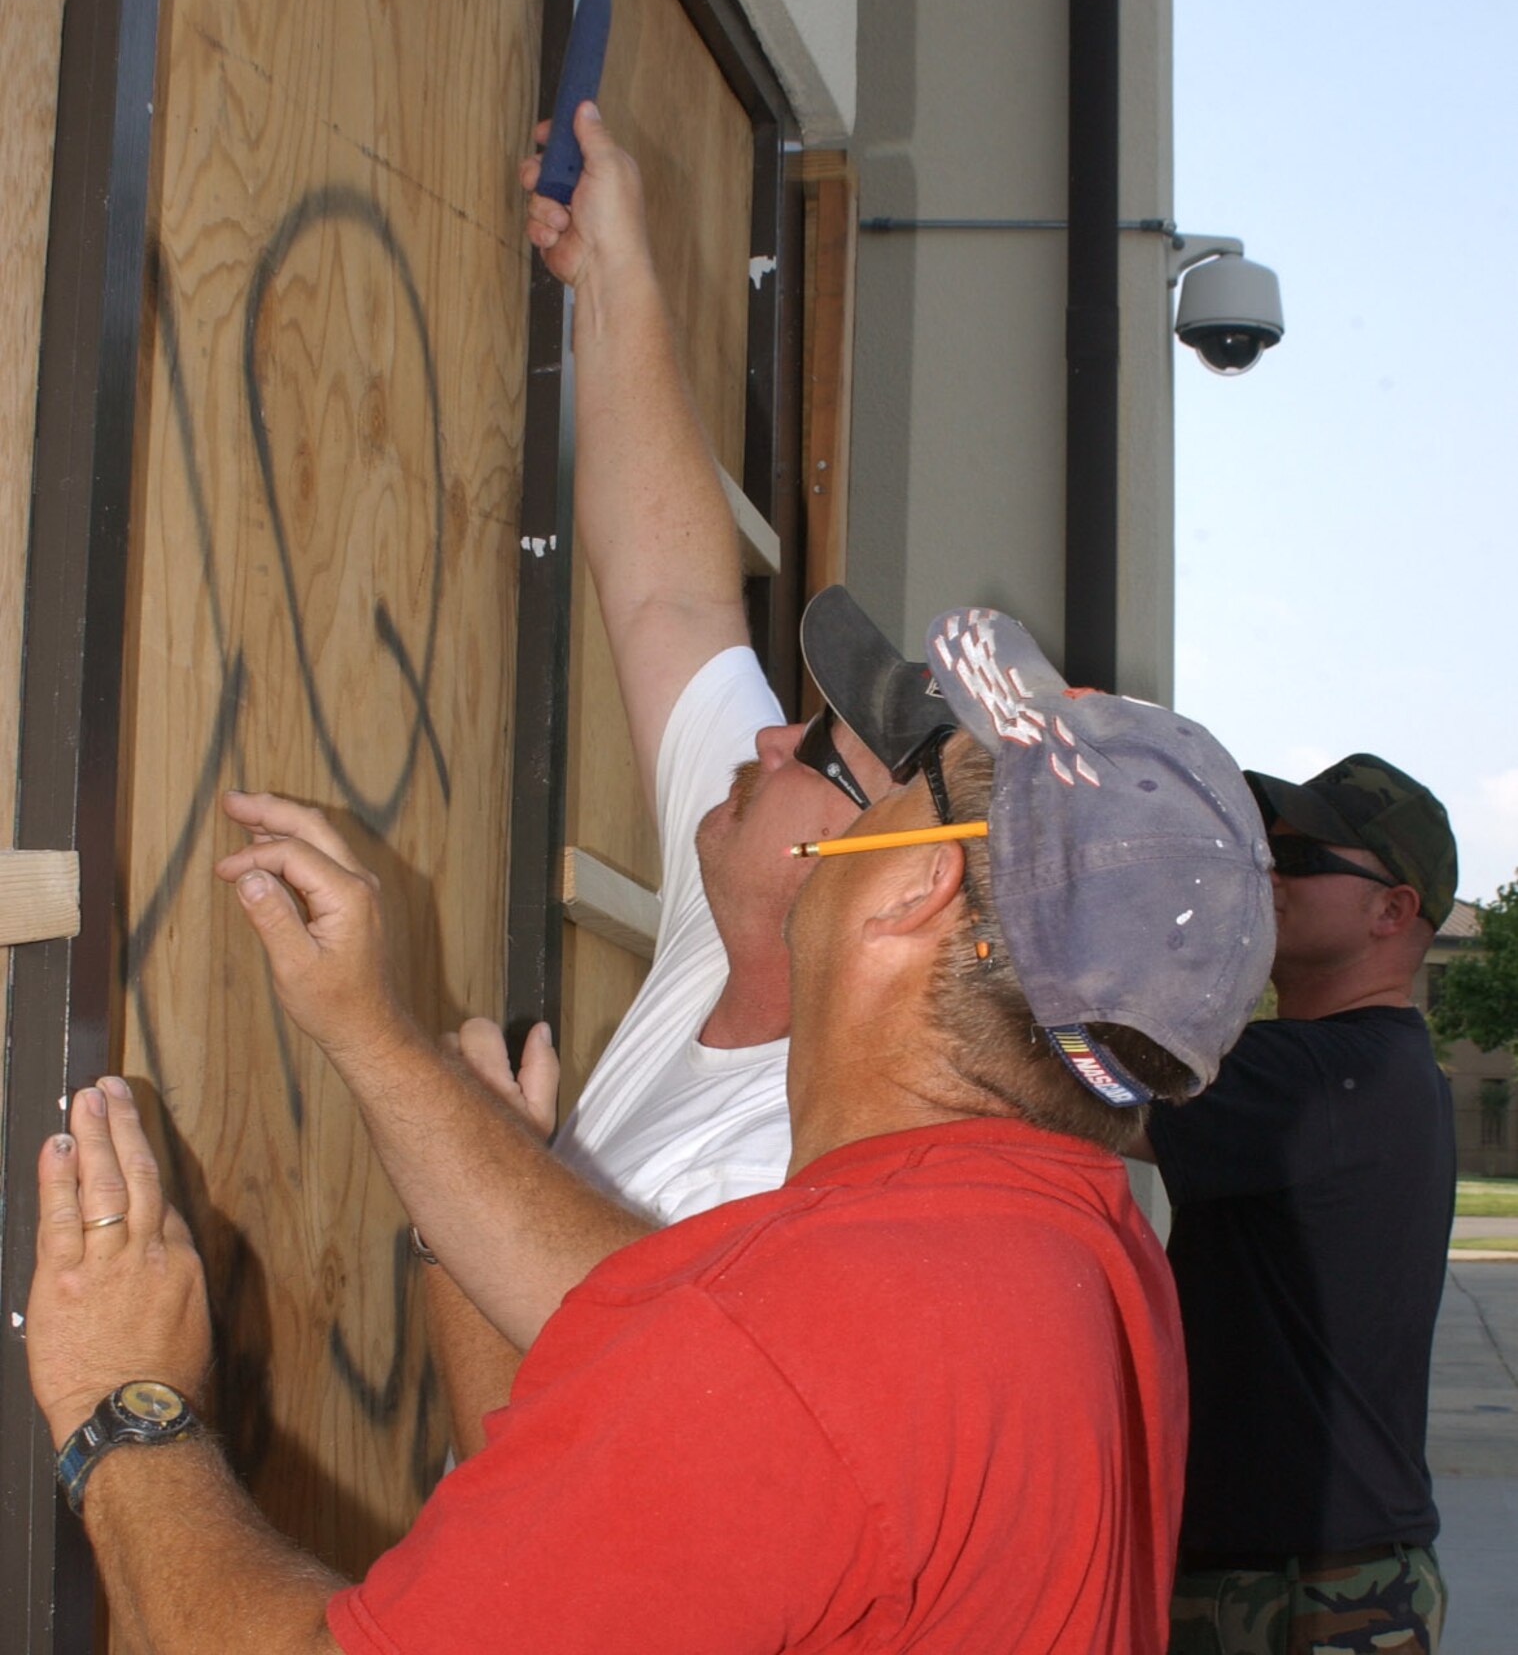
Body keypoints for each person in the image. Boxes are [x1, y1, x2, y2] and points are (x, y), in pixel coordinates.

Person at [26, 604, 1276, 1652]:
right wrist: (377, 1039)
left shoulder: (801, 1338)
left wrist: (123, 1402)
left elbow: (746, 1377)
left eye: (904, 787)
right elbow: (631, 1333)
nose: (848, 812)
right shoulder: (1077, 1252)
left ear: (913, 889)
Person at [421, 103, 948, 1453]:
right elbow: (668, 598)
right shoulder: (743, 921)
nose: (770, 738)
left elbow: (542, 1472)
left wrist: (465, 1178)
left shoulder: (794, 1176)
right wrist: (615, 265)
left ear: (894, 888)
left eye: (821, 753)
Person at [1146, 752, 1458, 1654]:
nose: (1265, 873)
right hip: (1307, 1569)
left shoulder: (1327, 1075)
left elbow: (1072, 1081)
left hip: (1303, 1590)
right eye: (1262, 850)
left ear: (1392, 911)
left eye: (1301, 861)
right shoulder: (1367, 1069)